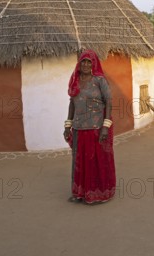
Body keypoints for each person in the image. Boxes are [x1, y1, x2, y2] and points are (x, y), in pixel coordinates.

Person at [64, 50, 116, 204]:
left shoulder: (99, 80)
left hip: (96, 129)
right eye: (83, 61)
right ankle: (79, 193)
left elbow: (109, 102)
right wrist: (68, 124)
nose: (86, 64)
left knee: (96, 162)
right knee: (79, 162)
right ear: (79, 64)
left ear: (94, 64)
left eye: (89, 62)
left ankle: (98, 193)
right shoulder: (75, 80)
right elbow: (72, 103)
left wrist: (105, 127)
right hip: (79, 129)